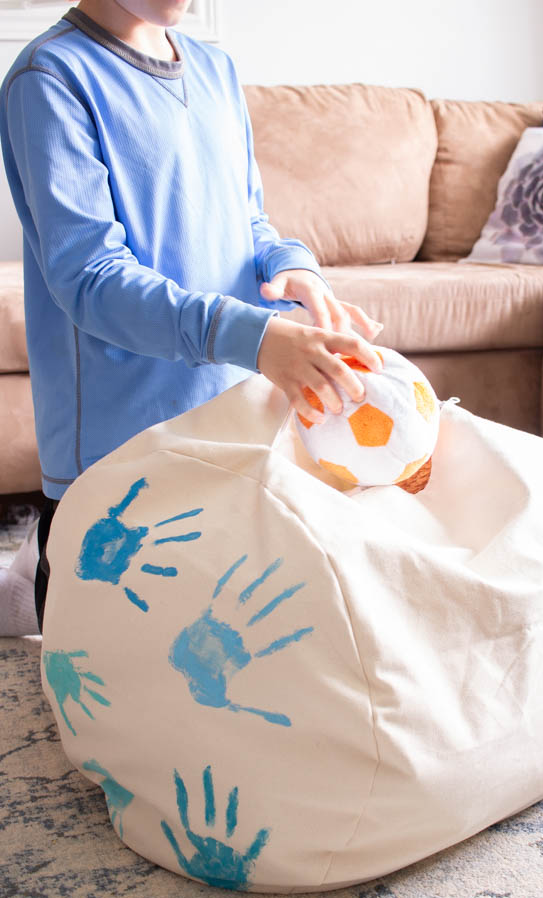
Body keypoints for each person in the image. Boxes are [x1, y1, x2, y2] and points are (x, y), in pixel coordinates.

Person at [0, 0, 383, 637]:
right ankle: (33, 580)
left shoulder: (215, 69)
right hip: (116, 433)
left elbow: (249, 219)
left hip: (224, 408)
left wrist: (297, 269)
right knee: (110, 645)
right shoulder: (51, 77)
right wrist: (255, 337)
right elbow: (90, 278)